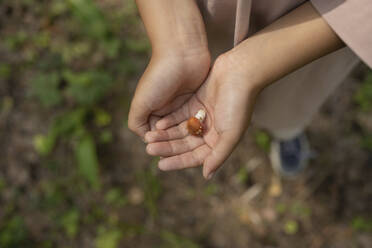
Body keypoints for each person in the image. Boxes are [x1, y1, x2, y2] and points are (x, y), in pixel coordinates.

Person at [128, 0, 372, 179]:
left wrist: (248, 67)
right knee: (207, 69)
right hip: (206, 15)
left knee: (292, 99)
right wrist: (177, 37)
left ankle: (287, 130)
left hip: (313, 34)